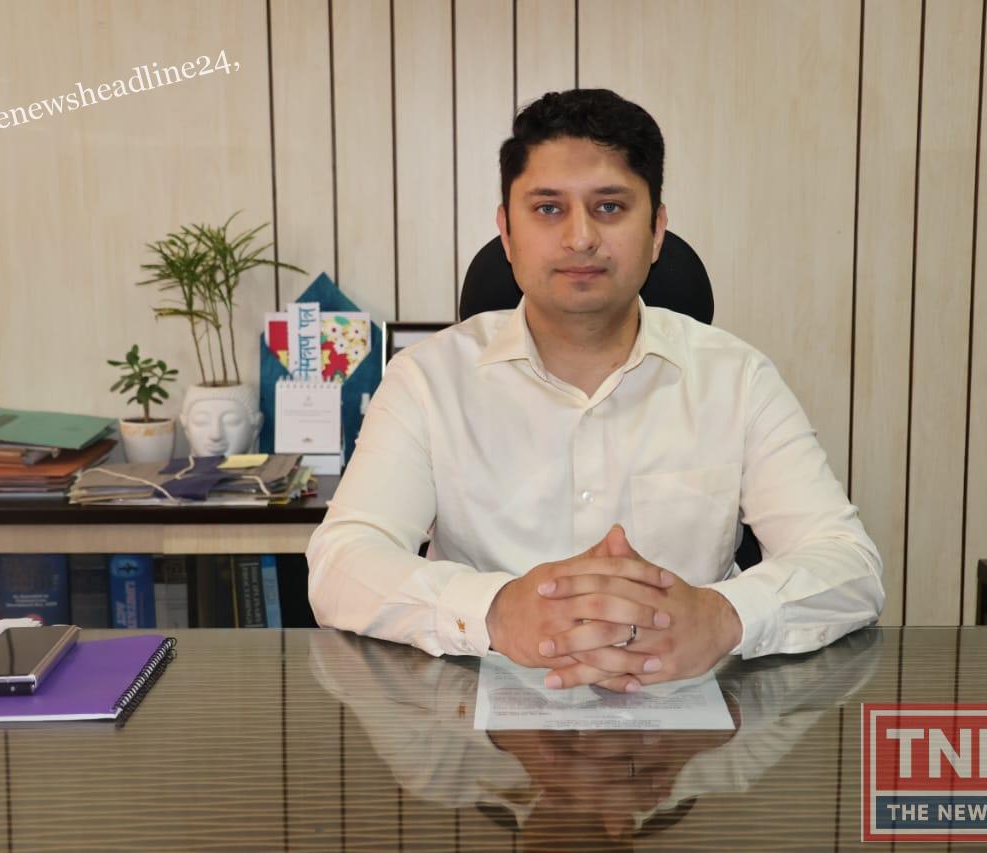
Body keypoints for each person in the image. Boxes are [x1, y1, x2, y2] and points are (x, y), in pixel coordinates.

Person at [306, 88, 884, 693]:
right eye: (548, 208)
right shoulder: (426, 380)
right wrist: (494, 612)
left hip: (689, 719)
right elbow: (342, 562)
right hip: (481, 719)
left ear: (656, 230)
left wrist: (722, 617)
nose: (580, 237)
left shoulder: (737, 379)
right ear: (507, 233)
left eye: (610, 207)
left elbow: (849, 563)